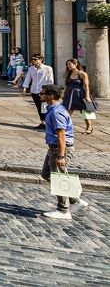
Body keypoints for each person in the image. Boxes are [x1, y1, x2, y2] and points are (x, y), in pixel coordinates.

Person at [39, 85, 88, 220]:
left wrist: (61, 155)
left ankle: (63, 210)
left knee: (58, 178)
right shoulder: (53, 109)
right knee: (46, 174)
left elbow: (61, 135)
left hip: (59, 149)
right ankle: (75, 201)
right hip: (53, 148)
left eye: (42, 93)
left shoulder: (56, 112)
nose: (40, 95)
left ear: (50, 96)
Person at [21, 55, 55, 129]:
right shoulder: (31, 69)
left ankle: (47, 123)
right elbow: (27, 79)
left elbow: (50, 80)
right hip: (34, 90)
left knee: (44, 107)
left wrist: (48, 90)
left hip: (43, 91)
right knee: (38, 106)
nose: (34, 61)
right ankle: (42, 122)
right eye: (32, 59)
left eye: (35, 59)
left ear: (41, 59)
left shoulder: (48, 68)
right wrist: (24, 89)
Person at [62, 59, 95, 135]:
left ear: (75, 64)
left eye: (70, 64)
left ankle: (89, 127)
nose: (68, 66)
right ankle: (64, 127)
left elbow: (86, 86)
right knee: (68, 110)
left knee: (84, 111)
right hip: (70, 94)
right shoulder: (68, 74)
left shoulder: (82, 74)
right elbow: (66, 85)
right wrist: (63, 93)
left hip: (80, 94)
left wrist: (87, 96)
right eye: (67, 64)